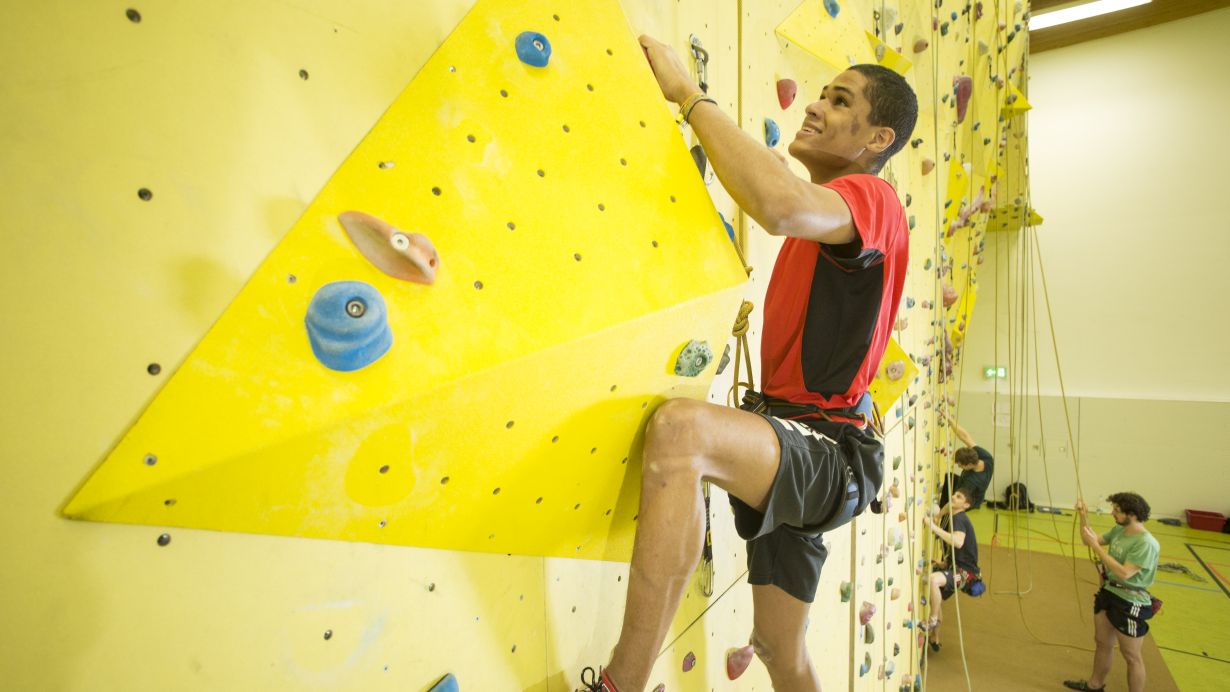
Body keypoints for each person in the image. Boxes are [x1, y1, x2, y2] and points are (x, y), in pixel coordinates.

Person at [578, 35, 917, 692]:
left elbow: (777, 203)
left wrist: (687, 93)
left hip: (828, 451)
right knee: (776, 648)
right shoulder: (837, 221)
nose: (814, 107)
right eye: (819, 94)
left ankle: (620, 685)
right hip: (808, 441)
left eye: (837, 100)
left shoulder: (871, 199)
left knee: (683, 433)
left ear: (877, 139)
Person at [1064, 493, 1161, 692]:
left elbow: (1125, 572)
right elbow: (1087, 540)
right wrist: (1083, 515)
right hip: (1108, 593)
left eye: (1116, 511)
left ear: (1132, 514)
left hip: (1130, 601)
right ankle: (1095, 685)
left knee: (1132, 656)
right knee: (1102, 642)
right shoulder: (1119, 530)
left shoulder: (1146, 543)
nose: (1112, 513)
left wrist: (1097, 548)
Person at [925, 488, 982, 652]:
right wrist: (944, 564)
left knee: (933, 580)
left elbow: (957, 543)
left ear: (966, 504)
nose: (952, 497)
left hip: (964, 575)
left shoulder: (959, 518)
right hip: (958, 569)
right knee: (936, 598)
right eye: (954, 494)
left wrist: (932, 526)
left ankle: (933, 619)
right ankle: (935, 638)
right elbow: (959, 551)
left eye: (958, 497)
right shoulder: (956, 516)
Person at [938, 415, 994, 510]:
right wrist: (950, 419)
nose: (959, 467)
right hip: (968, 485)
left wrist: (939, 515)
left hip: (969, 500)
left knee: (949, 505)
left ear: (969, 465)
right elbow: (965, 437)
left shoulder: (971, 482)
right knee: (949, 477)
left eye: (961, 466)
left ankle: (943, 522)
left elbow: (955, 503)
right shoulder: (986, 458)